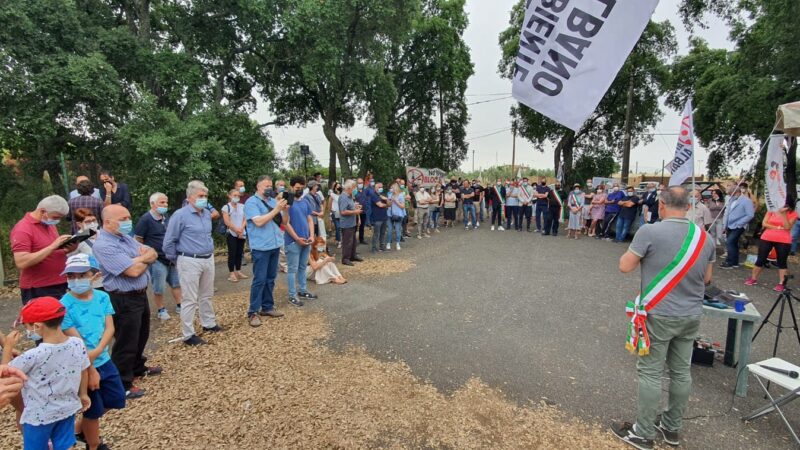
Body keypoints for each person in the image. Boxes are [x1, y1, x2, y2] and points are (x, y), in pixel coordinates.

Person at [612, 186, 716, 450]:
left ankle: (643, 432)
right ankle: (671, 427)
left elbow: (625, 266)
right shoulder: (704, 238)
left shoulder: (650, 231)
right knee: (681, 372)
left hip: (658, 314)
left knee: (650, 373)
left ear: (661, 205)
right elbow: (707, 279)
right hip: (690, 315)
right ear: (689, 207)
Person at [2, 297, 91, 450]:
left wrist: (8, 347)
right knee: (65, 445)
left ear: (37, 326)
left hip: (38, 416)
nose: (27, 331)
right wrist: (83, 394)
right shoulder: (77, 343)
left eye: (27, 326)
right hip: (67, 408)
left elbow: (5, 373)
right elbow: (84, 369)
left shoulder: (33, 355)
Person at [93, 204, 160, 399]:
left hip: (139, 294)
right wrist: (141, 259)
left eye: (128, 217)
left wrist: (140, 257)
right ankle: (122, 382)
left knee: (141, 334)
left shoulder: (124, 238)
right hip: (123, 298)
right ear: (107, 222)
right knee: (126, 340)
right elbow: (132, 271)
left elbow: (153, 252)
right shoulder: (104, 245)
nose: (127, 222)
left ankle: (138, 366)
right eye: (122, 219)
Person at [59, 254, 126, 450]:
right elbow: (75, 341)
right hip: (82, 365)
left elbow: (110, 328)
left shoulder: (103, 297)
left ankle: (79, 429)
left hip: (102, 358)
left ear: (94, 276)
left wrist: (97, 351)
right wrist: (89, 368)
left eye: (82, 275)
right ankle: (94, 445)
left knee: (116, 397)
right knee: (92, 410)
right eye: (71, 276)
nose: (76, 280)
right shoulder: (63, 305)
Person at [163, 181, 222, 346]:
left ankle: (208, 323)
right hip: (189, 259)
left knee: (207, 294)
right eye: (200, 196)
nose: (204, 199)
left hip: (207, 258)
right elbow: (169, 241)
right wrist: (178, 260)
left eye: (205, 196)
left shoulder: (205, 214)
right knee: (189, 298)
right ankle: (188, 334)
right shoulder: (180, 215)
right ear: (190, 198)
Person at [10, 195, 76, 304]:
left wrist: (67, 249)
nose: (57, 221)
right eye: (55, 217)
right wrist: (52, 246)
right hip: (39, 288)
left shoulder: (48, 225)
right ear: (42, 211)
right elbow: (21, 262)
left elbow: (50, 252)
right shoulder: (22, 229)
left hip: (59, 283)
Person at [243, 176, 288, 327]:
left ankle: (267, 307)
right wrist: (276, 209)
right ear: (258, 186)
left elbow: (284, 222)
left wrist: (285, 210)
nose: (269, 188)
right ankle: (253, 312)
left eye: (270, 185)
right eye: (266, 186)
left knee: (270, 278)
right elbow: (259, 222)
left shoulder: (273, 201)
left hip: (275, 245)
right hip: (261, 247)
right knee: (259, 279)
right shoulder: (251, 202)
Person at [134, 192, 183, 321]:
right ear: (152, 204)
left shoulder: (167, 217)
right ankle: (161, 310)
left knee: (176, 283)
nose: (165, 205)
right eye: (162, 202)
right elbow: (138, 239)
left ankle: (180, 305)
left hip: (171, 257)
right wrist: (146, 255)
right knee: (159, 286)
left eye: (166, 202)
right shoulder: (145, 220)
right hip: (157, 259)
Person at [745, 199, 798, 291]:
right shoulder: (771, 211)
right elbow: (764, 223)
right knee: (760, 259)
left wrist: (784, 214)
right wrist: (778, 227)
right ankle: (753, 278)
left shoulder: (793, 214)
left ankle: (781, 283)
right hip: (767, 237)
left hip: (783, 240)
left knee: (781, 261)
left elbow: (787, 227)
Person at [284, 176, 318, 307]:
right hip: (293, 242)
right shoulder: (287, 202)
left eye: (302, 188)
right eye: (297, 188)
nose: (299, 190)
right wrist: (297, 238)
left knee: (303, 267)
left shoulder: (305, 202)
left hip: (306, 240)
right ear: (292, 187)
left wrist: (311, 236)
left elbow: (309, 219)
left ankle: (303, 290)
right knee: (292, 269)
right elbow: (286, 223)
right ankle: (292, 295)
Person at [721, 182, 755, 269]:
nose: (730, 196)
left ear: (737, 192)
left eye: (731, 194)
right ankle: (734, 262)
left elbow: (750, 215)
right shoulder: (731, 200)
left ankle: (730, 262)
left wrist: (740, 223)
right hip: (729, 225)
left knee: (730, 242)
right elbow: (727, 212)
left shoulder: (747, 201)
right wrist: (725, 225)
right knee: (734, 244)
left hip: (738, 226)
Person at [69, 208, 103, 289]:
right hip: (92, 283)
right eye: (88, 222)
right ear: (79, 224)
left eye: (94, 220)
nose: (92, 223)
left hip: (109, 281)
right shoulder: (76, 239)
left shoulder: (103, 233)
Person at [222, 189, 248, 283]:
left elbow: (245, 218)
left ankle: (238, 271)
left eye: (238, 196)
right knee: (232, 253)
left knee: (239, 252)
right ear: (229, 196)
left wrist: (241, 229)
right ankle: (232, 273)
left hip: (241, 232)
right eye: (234, 195)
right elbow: (227, 221)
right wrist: (236, 230)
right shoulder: (226, 207)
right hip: (232, 233)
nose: (236, 197)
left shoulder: (243, 206)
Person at [339, 180, 364, 265]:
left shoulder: (349, 196)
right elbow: (343, 211)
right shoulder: (343, 197)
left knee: (353, 241)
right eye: (354, 187)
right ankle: (345, 259)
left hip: (352, 223)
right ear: (349, 188)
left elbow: (350, 207)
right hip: (346, 224)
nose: (355, 189)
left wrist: (356, 206)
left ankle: (353, 256)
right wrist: (355, 212)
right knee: (347, 242)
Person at [369, 182, 389, 252]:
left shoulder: (382, 195)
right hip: (377, 218)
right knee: (376, 234)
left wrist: (386, 200)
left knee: (383, 233)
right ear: (375, 188)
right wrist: (386, 203)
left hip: (384, 217)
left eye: (381, 187)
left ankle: (382, 246)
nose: (381, 188)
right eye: (379, 187)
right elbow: (380, 205)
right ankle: (374, 248)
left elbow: (390, 203)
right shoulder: (373, 195)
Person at [387, 183, 407, 250]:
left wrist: (396, 201)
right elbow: (388, 205)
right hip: (390, 214)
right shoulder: (390, 195)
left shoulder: (401, 195)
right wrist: (390, 201)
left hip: (398, 215)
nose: (391, 189)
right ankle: (388, 243)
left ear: (395, 188)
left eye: (392, 188)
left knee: (398, 230)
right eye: (390, 188)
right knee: (389, 229)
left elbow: (402, 206)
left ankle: (398, 243)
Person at [329, 182, 343, 248]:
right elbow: (330, 204)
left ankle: (337, 239)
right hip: (334, 213)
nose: (338, 187)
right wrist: (331, 212)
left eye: (339, 186)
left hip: (341, 213)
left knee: (340, 227)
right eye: (337, 186)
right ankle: (339, 242)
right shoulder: (332, 195)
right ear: (334, 187)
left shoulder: (342, 195)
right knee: (338, 227)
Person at [356, 177, 369, 245]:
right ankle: (354, 240)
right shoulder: (354, 192)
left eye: (361, 183)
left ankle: (361, 239)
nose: (360, 184)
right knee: (355, 226)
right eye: (359, 183)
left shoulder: (365, 191)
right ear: (357, 183)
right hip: (356, 212)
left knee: (362, 226)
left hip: (363, 211)